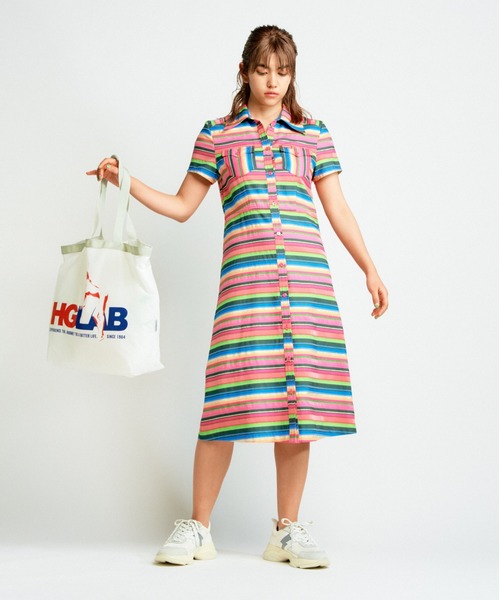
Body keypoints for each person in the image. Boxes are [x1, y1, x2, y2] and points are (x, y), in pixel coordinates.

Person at [87, 25, 388, 569]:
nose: (272, 81)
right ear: (244, 71)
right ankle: (199, 528)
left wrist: (369, 267)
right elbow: (183, 206)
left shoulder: (313, 134)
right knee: (223, 402)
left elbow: (338, 208)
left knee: (298, 408)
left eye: (283, 71)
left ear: (292, 75)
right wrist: (125, 180)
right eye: (262, 69)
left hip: (307, 288)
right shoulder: (217, 136)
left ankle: (287, 531)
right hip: (245, 289)